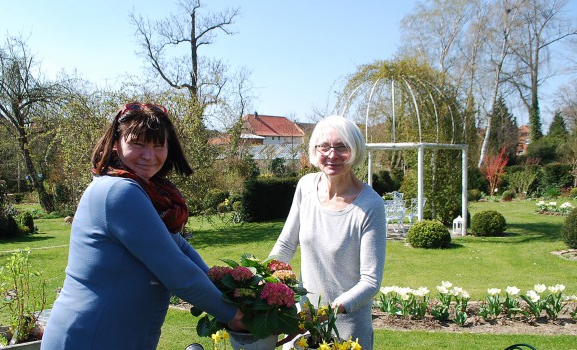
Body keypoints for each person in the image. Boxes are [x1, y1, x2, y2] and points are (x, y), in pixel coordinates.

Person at [41, 103, 244, 350]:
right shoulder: (119, 191)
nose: (149, 156)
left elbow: (180, 248)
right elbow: (174, 268)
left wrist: (226, 288)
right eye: (138, 144)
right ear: (116, 143)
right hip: (91, 336)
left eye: (159, 145)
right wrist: (233, 315)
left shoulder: (144, 191)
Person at [270, 115, 386, 349]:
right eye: (324, 146)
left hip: (347, 330)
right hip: (302, 325)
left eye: (341, 147)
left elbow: (370, 282)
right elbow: (285, 246)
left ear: (354, 150)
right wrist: (260, 284)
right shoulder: (306, 187)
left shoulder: (370, 206)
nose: (332, 155)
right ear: (315, 150)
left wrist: (325, 313)